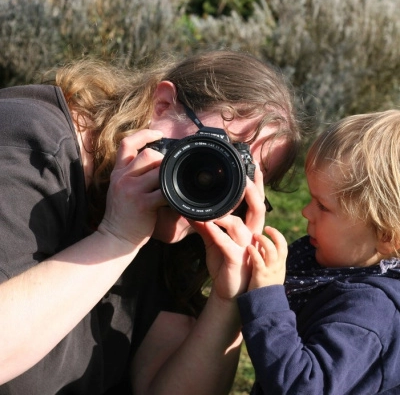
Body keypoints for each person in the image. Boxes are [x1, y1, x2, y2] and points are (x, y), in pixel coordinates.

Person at [0, 50, 301, 394]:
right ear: (161, 105)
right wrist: (117, 237)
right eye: (215, 151)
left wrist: (227, 300)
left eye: (239, 178)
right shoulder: (29, 141)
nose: (214, 186)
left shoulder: (177, 226)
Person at [234, 110, 400, 394]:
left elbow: (305, 386)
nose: (305, 212)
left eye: (323, 206)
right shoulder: (330, 266)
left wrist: (268, 299)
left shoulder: (369, 311)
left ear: (385, 235)